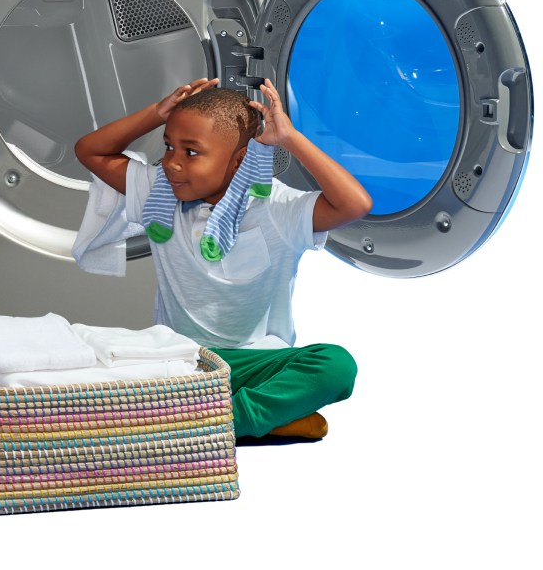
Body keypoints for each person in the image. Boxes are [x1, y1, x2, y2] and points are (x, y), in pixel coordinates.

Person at [72, 77, 372, 440]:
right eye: (168, 147)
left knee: (336, 366)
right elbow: (91, 151)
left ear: (240, 159)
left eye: (191, 152)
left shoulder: (276, 207)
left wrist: (290, 138)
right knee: (91, 363)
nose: (172, 164)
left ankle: (221, 422)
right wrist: (157, 112)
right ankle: (267, 420)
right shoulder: (160, 194)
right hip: (179, 361)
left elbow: (355, 204)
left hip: (255, 363)